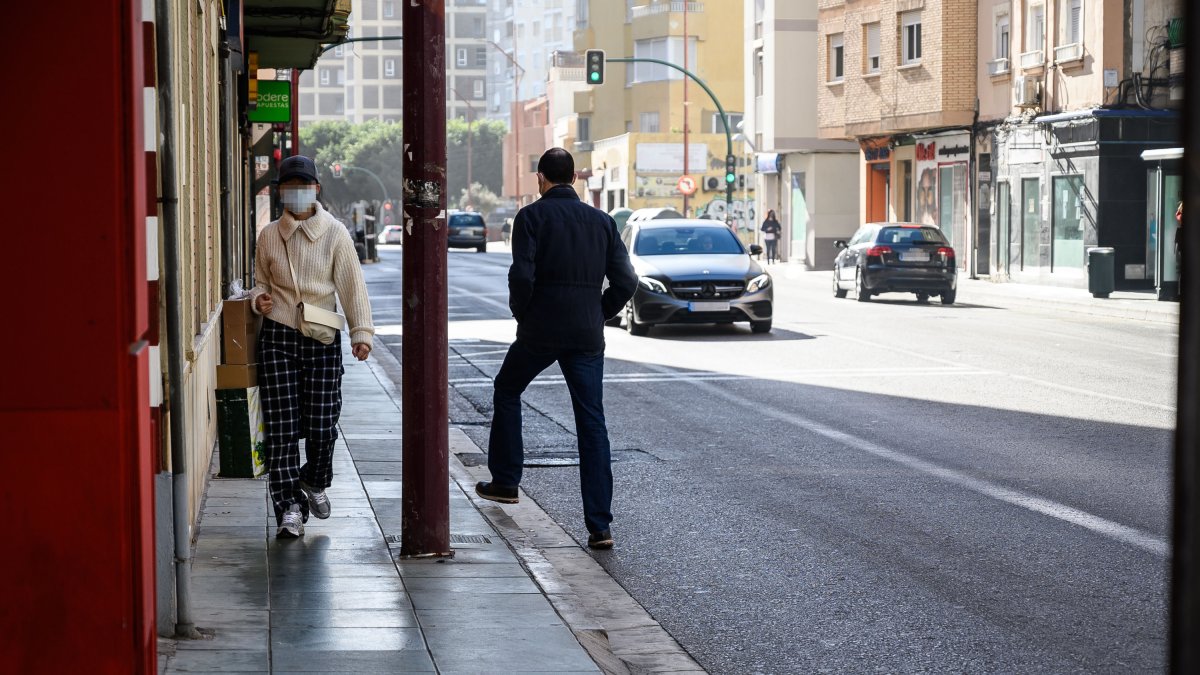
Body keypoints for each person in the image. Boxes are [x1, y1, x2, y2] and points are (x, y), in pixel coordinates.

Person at [475, 148, 638, 550]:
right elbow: (627, 281)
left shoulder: (530, 217)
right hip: (586, 333)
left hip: (541, 330)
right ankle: (600, 526)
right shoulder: (602, 222)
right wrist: (599, 312)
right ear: (576, 179)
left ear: (541, 179)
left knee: (508, 389)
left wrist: (523, 315)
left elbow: (522, 276)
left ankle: (506, 481)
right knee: (591, 421)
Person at [249, 155, 375, 539]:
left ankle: (314, 479)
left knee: (322, 424)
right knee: (283, 429)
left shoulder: (335, 233)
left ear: (316, 189)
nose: (296, 192)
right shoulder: (269, 235)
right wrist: (259, 300)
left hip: (321, 337)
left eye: (303, 185)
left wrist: (361, 333)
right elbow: (259, 282)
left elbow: (353, 286)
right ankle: (289, 508)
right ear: (280, 192)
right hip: (278, 336)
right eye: (289, 186)